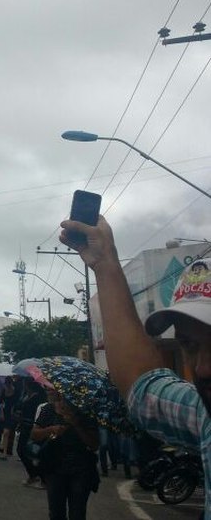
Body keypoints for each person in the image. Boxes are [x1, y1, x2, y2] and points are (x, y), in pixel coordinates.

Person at [61, 214, 211, 518]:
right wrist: (104, 263)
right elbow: (143, 387)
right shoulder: (205, 416)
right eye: (190, 346)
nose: (203, 368)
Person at [30, 389, 99, 520]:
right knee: (56, 512)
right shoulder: (48, 409)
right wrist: (51, 429)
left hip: (81, 469)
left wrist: (76, 424)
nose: (48, 392)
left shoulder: (85, 412)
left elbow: (94, 444)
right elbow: (34, 435)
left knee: (77, 513)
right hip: (54, 467)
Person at [15, 380, 47, 488]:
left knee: (32, 451)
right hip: (24, 425)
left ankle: (40, 476)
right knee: (21, 450)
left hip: (32, 426)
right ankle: (34, 474)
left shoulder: (39, 397)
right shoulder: (26, 395)